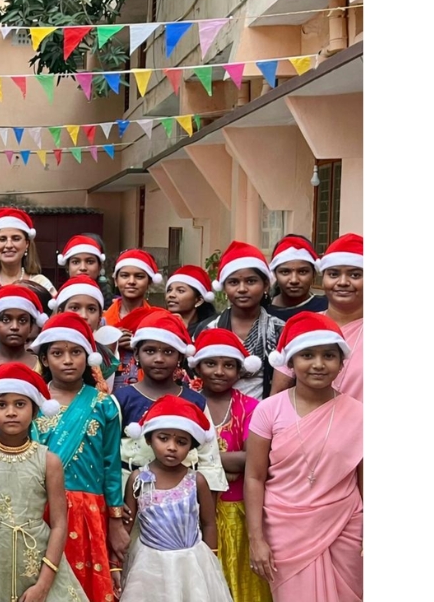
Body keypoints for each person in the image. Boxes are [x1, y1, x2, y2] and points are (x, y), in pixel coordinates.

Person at [244, 313, 362, 602]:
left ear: (341, 363)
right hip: (284, 531)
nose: (318, 364)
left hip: (346, 528)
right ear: (291, 362)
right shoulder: (268, 410)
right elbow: (254, 477)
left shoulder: (361, 414)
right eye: (307, 355)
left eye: (329, 356)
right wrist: (256, 539)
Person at [0, 363, 91, 602]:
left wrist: (43, 585)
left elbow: (59, 524)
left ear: (35, 411)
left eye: (20, 404)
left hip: (36, 561)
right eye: (1, 405)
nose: (11, 412)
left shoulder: (48, 461)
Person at [29, 313, 128, 601]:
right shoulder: (33, 402)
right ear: (45, 359)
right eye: (58, 354)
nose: (68, 360)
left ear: (88, 357)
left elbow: (111, 466)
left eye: (76, 352)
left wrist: (115, 520)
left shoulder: (104, 404)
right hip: (41, 509)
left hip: (90, 511)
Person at [120, 396, 233, 602]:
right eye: (163, 439)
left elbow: (209, 523)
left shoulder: (197, 480)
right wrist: (115, 564)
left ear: (191, 446)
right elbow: (126, 526)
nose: (172, 447)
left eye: (181, 442)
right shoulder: (138, 479)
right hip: (150, 566)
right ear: (148, 439)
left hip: (192, 564)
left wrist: (211, 561)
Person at [189, 330, 271, 602]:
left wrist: (204, 462)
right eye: (211, 363)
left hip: (237, 511)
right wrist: (229, 463)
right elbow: (175, 457)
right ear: (197, 366)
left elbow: (254, 459)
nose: (219, 371)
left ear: (240, 370)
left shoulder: (251, 407)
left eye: (228, 365)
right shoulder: (186, 403)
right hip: (191, 511)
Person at [114, 311, 209, 487]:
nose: (159, 359)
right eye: (150, 351)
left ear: (180, 357)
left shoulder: (195, 401)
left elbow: (209, 459)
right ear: (136, 354)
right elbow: (108, 454)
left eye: (168, 352)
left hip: (185, 493)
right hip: (129, 489)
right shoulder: (121, 399)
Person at [272, 235, 363, 402]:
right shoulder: (302, 326)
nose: (343, 282)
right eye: (333, 274)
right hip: (302, 419)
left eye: (355, 275)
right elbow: (277, 396)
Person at [194, 242, 284, 400]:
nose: (242, 289)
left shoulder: (279, 330)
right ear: (224, 287)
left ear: (265, 285)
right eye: (234, 282)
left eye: (251, 281)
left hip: (264, 410)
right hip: (214, 410)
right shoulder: (209, 328)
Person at [104, 249, 162, 391]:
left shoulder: (158, 319)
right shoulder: (102, 320)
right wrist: (111, 344)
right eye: (125, 276)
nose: (131, 281)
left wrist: (139, 345)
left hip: (148, 390)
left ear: (149, 282)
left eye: (139, 276)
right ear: (115, 281)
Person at [49, 275, 121, 386]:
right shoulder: (48, 348)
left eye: (91, 309)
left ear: (100, 318)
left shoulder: (106, 357)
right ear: (60, 313)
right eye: (74, 308)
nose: (83, 315)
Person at [0, 284, 49, 376]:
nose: (15, 327)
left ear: (30, 327)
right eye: (6, 320)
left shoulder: (44, 366)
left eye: (22, 320)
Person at [0, 207, 57, 295]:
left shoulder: (40, 283)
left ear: (27, 244)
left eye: (16, 239)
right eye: (2, 239)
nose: (9, 245)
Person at [264, 235, 328, 321]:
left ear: (314, 273)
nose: (294, 280)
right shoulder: (262, 311)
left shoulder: (327, 308)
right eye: (285, 272)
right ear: (275, 274)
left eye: (303, 272)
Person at [166, 264, 218, 334]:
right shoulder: (160, 325)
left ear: (199, 300)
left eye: (181, 291)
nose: (171, 295)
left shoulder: (210, 330)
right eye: (169, 290)